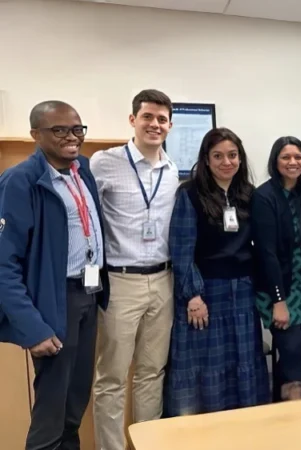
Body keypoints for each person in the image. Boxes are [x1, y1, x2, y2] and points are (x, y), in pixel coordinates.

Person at [0, 101, 105, 450]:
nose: (71, 137)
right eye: (59, 130)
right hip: (54, 302)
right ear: (35, 134)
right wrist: (33, 327)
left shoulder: (82, 170)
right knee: (50, 416)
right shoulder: (20, 181)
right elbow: (3, 264)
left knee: (74, 408)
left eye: (77, 129)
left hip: (87, 297)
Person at [90, 89, 180, 449]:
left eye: (161, 119)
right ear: (133, 120)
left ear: (170, 126)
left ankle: (146, 444)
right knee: (111, 378)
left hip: (163, 279)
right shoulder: (103, 162)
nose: (154, 124)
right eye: (148, 117)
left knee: (151, 373)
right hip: (120, 281)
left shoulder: (172, 169)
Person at [164, 128, 269, 415]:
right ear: (206, 160)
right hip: (206, 293)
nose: (227, 162)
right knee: (205, 364)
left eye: (232, 155)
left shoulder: (247, 194)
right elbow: (182, 249)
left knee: (242, 360)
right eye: (218, 156)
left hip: (242, 293)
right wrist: (193, 296)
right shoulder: (190, 194)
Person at [252, 136, 301, 401]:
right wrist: (279, 301)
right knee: (291, 354)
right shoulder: (264, 196)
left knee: (295, 356)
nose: (293, 162)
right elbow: (266, 253)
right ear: (275, 161)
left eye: (298, 157)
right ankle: (296, 416)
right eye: (286, 157)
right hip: (278, 289)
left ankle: (284, 410)